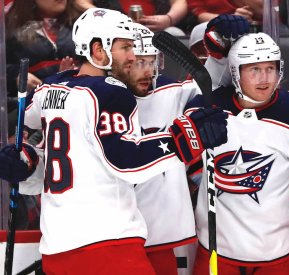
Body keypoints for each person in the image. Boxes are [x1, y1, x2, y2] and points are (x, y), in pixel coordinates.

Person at [0, 8, 228, 274]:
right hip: (108, 244)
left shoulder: (53, 88)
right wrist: (188, 137)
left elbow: (33, 135)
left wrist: (26, 158)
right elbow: (124, 160)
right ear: (99, 51)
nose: (133, 57)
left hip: (56, 246)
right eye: (126, 47)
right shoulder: (110, 93)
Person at [187, 27, 289, 274]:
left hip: (279, 252)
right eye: (254, 69)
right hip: (217, 252)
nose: (264, 79)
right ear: (235, 71)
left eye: (270, 69)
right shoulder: (206, 107)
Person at [123, 23, 201, 275]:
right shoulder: (104, 99)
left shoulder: (173, 92)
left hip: (165, 234)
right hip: (117, 234)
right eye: (138, 63)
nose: (147, 71)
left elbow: (219, 89)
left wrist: (220, 56)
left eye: (151, 61)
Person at [5, 0, 81, 110]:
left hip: (78, 103)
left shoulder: (83, 23)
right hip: (31, 107)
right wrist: (17, 76)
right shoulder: (10, 29)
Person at [74, 0, 189, 35]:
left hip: (158, 31)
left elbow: (180, 2)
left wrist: (169, 19)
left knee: (174, 33)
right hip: (115, 31)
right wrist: (107, 16)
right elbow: (81, 2)